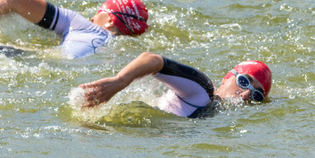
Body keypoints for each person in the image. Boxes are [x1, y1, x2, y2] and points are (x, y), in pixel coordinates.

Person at [0, 0, 149, 59]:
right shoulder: (127, 54)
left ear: (110, 20)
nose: (93, 17)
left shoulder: (85, 25)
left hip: (29, 59)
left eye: (98, 12)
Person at [77, 52, 272, 118]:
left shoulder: (217, 115)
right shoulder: (201, 90)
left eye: (256, 95)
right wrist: (119, 81)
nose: (245, 94)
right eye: (244, 82)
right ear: (227, 78)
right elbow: (153, 60)